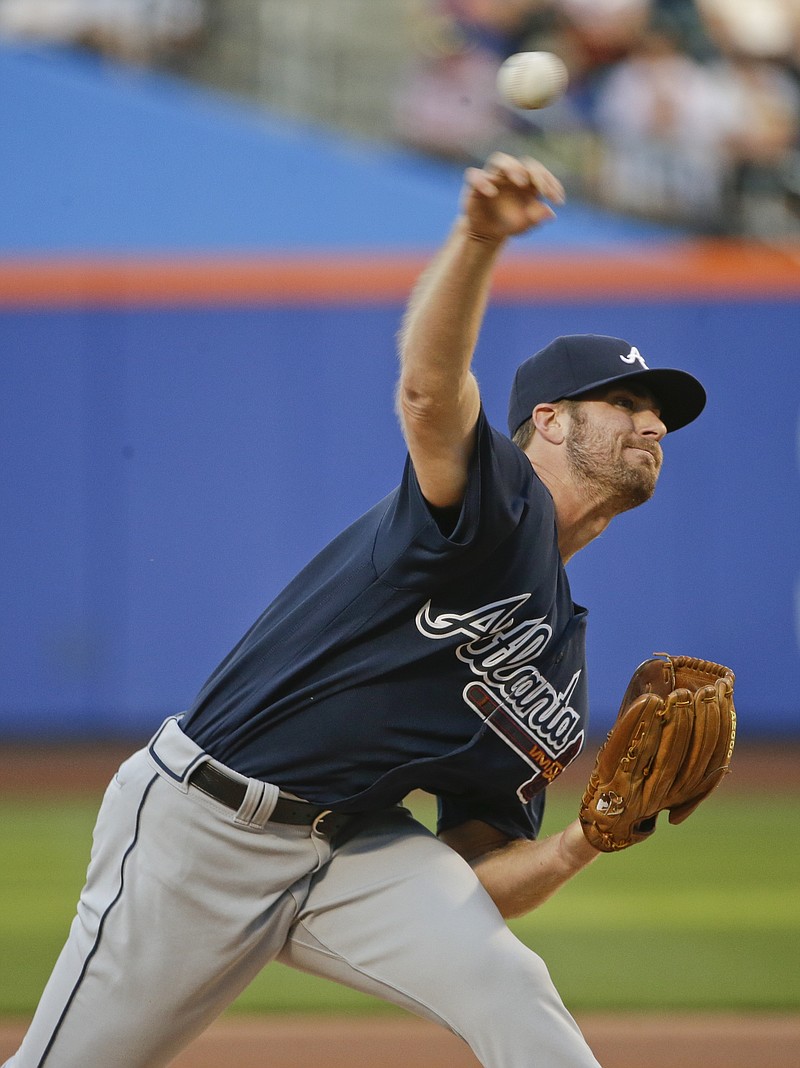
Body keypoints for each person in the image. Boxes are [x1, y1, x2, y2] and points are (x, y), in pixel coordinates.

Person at [6, 153, 707, 1068]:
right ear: (548, 421)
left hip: (358, 850)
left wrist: (584, 839)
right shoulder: (495, 501)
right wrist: (479, 238)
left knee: (512, 986)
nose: (652, 426)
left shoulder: (561, 660)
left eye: (659, 415)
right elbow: (427, 391)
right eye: (624, 403)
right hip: (206, 829)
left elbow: (479, 870)